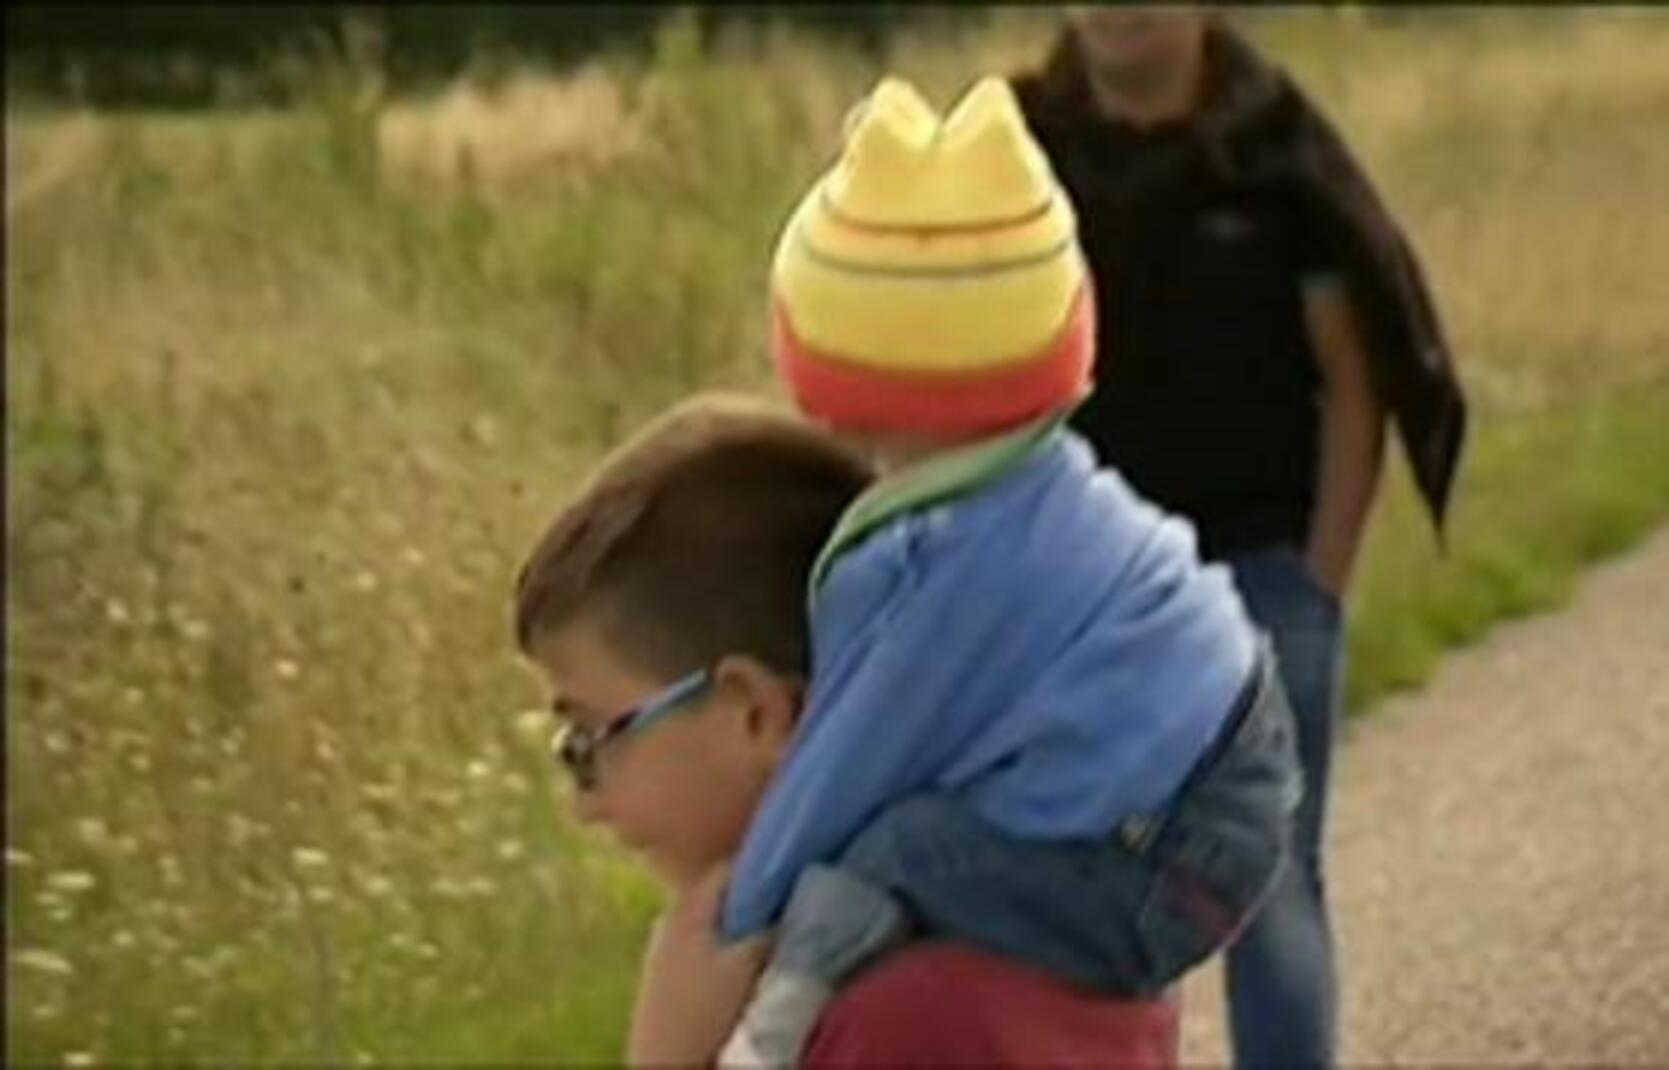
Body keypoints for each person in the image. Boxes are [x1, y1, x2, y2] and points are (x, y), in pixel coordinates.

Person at [705, 73, 1307, 1066]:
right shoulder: (1042, 484)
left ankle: (768, 1038)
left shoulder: (939, 552)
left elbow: (855, 757)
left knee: (888, 852)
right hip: (1222, 774)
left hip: (1163, 853)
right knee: (934, 846)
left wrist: (744, 914)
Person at [1011, 9, 1470, 1067]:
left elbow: (1356, 380)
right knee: (1074, 880)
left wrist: (1320, 580)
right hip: (1076, 587)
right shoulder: (1020, 149)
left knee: (1268, 878)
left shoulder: (1273, 150)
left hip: (1257, 573)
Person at [511, 395, 1180, 1065]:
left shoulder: (893, 1015)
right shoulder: (1034, 906)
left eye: (593, 741)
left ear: (757, 713)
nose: (586, 803)